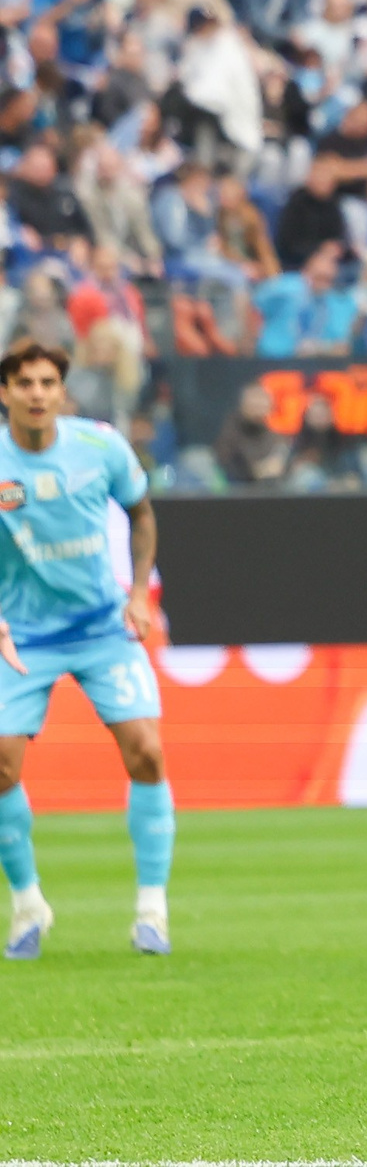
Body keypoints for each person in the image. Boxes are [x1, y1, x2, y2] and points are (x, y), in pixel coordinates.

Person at [0, 339, 172, 960]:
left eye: (48, 383)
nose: (37, 394)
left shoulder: (99, 446)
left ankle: (152, 910)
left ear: (61, 391)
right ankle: (28, 904)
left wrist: (139, 593)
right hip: (22, 635)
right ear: (5, 393)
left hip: (102, 626)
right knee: (0, 766)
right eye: (25, 383)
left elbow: (141, 513)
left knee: (147, 751)